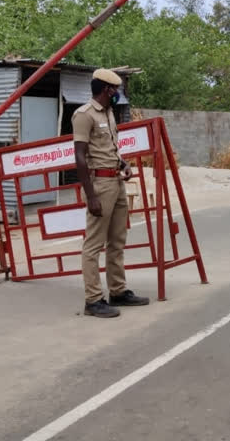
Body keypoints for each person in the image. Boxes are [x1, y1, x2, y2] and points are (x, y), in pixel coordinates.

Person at [72, 68, 149, 318]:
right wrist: (91, 195)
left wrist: (123, 164)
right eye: (115, 89)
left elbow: (110, 149)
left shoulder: (109, 113)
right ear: (107, 90)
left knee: (117, 240)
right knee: (93, 244)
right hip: (99, 186)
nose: (118, 93)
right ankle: (93, 300)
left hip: (116, 182)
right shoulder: (84, 115)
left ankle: (117, 290)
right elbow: (80, 157)